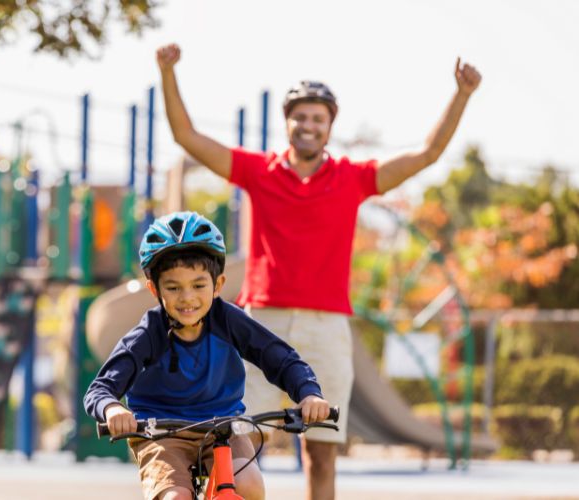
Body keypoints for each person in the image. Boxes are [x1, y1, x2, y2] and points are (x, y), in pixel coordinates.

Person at [156, 43, 482, 500]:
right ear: (288, 123)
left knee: (322, 451)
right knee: (238, 441)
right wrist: (167, 72)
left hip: (326, 326)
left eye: (317, 118)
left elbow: (426, 155)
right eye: (300, 117)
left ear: (329, 127)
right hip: (260, 321)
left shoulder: (354, 178)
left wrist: (461, 94)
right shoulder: (258, 171)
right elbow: (187, 137)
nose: (308, 126)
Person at [83, 211, 332, 500]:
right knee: (176, 496)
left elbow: (279, 357)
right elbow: (100, 389)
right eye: (173, 288)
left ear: (218, 285)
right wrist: (113, 409)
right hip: (161, 434)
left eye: (198, 285)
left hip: (223, 428)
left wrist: (309, 393)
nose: (187, 297)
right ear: (154, 289)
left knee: (248, 486)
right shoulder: (148, 333)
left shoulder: (229, 321)